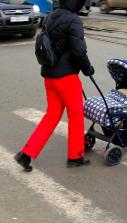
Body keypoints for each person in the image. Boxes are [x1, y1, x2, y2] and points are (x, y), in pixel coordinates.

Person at [14, 0, 95, 172]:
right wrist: (88, 68)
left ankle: (26, 153)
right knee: (75, 115)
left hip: (49, 76)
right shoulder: (74, 20)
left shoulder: (51, 16)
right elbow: (79, 51)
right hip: (67, 78)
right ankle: (75, 156)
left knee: (51, 116)